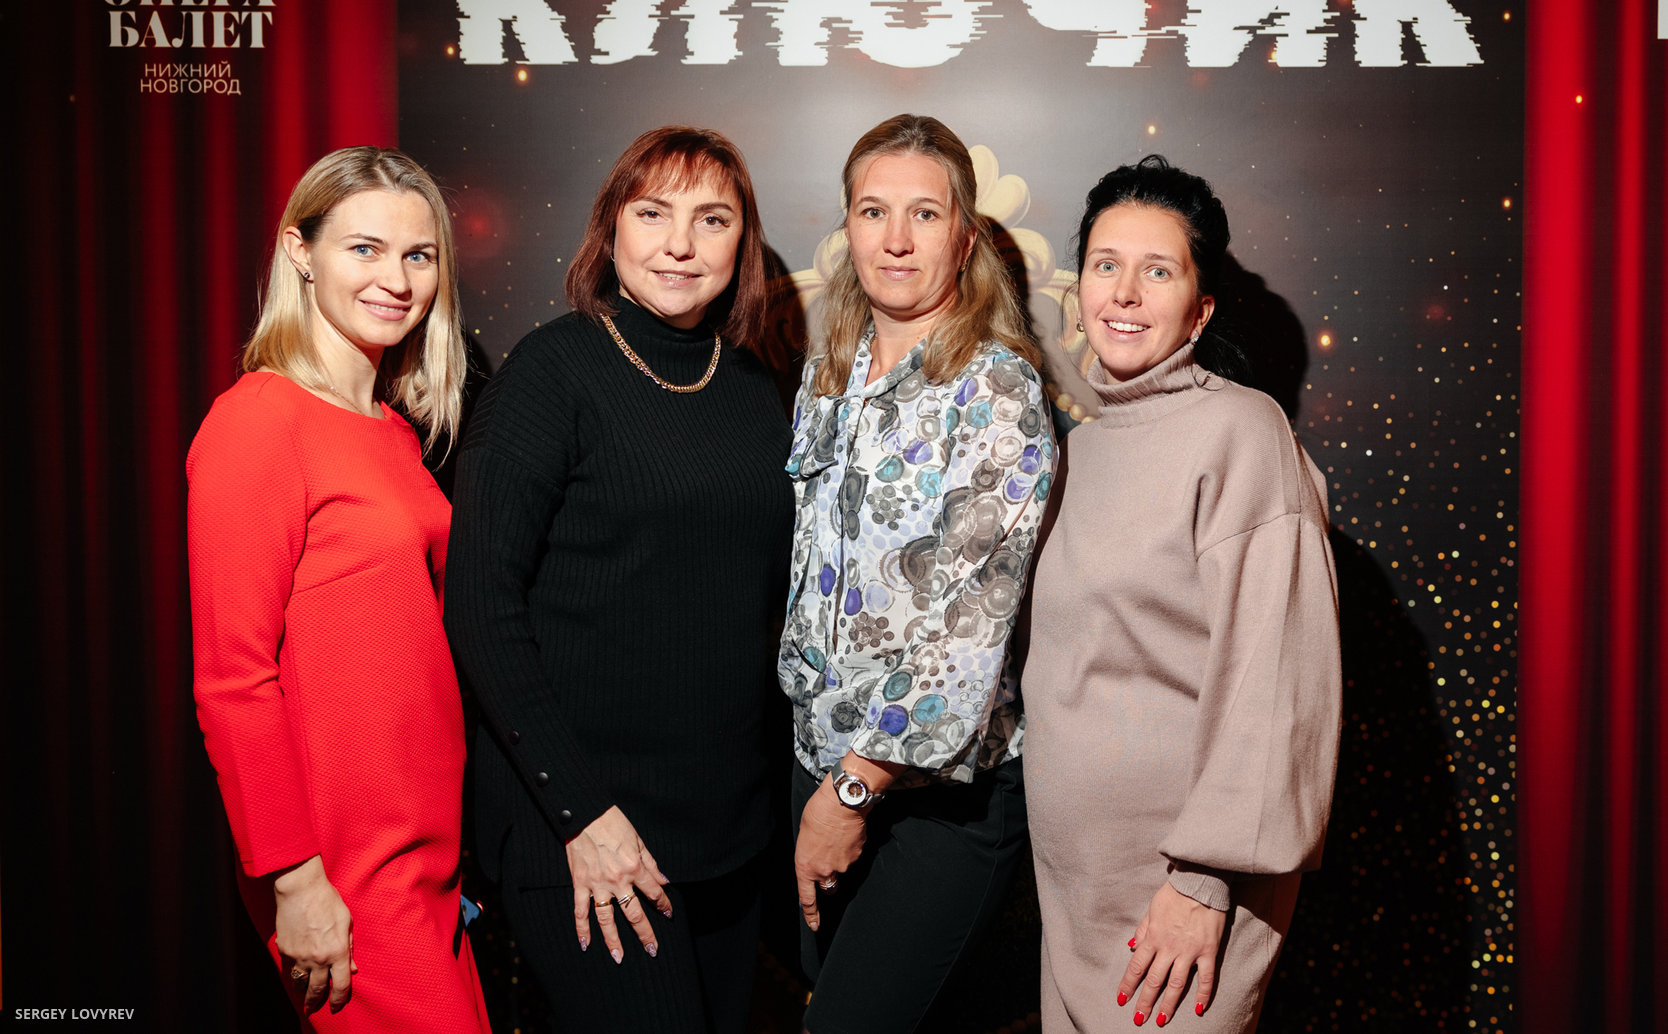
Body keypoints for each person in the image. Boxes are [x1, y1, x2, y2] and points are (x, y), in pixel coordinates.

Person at [444, 127, 794, 1034]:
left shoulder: (754, 387)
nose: (680, 244)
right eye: (653, 214)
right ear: (611, 229)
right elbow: (480, 609)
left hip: (725, 836)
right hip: (587, 833)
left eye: (711, 219)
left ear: (743, 242)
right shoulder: (549, 374)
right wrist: (581, 815)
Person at [1024, 157, 1342, 1031]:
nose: (1125, 293)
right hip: (1074, 892)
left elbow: (1280, 679)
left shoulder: (1242, 431)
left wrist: (1204, 882)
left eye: (1157, 271)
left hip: (1182, 895)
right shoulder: (1077, 448)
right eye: (1106, 265)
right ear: (1079, 290)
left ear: (1199, 310)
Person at [186, 147, 488, 1031]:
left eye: (418, 255)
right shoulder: (259, 421)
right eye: (364, 249)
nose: (396, 279)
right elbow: (232, 680)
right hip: (340, 869)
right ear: (300, 251)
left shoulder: (392, 430)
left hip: (426, 854)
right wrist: (294, 877)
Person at [781, 113, 1054, 1034]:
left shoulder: (997, 389)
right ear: (848, 227)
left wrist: (854, 789)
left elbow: (971, 623)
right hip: (816, 769)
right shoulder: (831, 373)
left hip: (931, 799)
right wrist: (821, 784)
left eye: (924, 215)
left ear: (964, 238)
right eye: (873, 211)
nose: (895, 239)